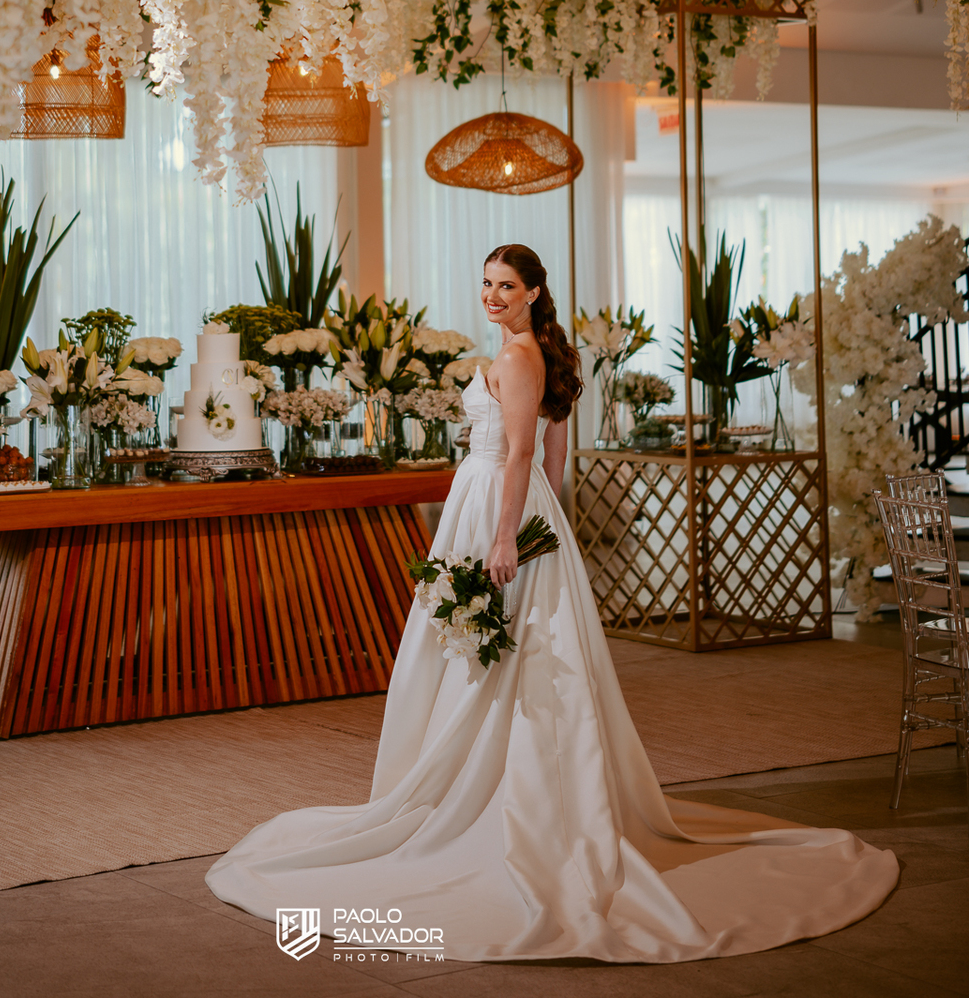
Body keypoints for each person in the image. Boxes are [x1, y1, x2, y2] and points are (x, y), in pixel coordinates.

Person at [206, 244, 897, 962]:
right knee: (497, 645)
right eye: (485, 284)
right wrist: (545, 523)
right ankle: (479, 782)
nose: (492, 296)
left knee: (502, 647)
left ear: (534, 292)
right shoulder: (536, 356)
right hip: (509, 504)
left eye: (506, 286)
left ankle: (494, 800)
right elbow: (554, 457)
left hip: (495, 506)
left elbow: (519, 455)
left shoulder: (518, 359)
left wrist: (506, 538)